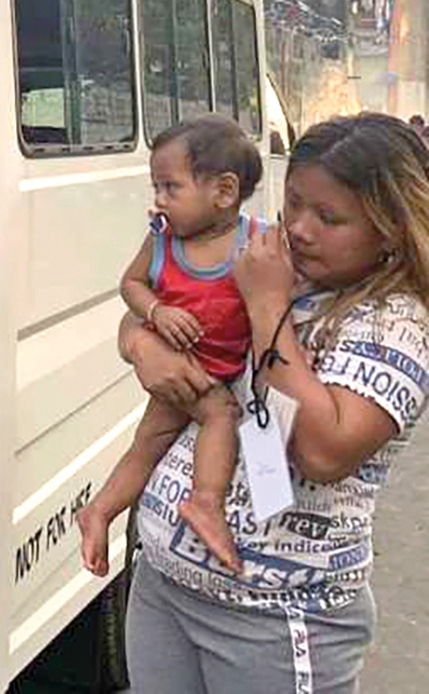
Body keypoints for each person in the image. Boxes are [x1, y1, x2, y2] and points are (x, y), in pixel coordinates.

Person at [120, 112, 429, 694]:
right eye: (294, 206)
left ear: (390, 227)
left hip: (273, 616)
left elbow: (323, 449)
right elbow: (153, 305)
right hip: (165, 582)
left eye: (329, 217)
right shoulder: (278, 266)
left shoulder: (396, 322)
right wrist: (141, 345)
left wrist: (266, 306)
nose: (301, 229)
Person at [78, 115, 262, 576]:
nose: (159, 200)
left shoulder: (256, 243)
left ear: (223, 192)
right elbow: (131, 284)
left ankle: (107, 508)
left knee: (153, 444)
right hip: (184, 379)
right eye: (156, 188)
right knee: (173, 435)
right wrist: (155, 313)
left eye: (170, 188)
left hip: (211, 373)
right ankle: (191, 503)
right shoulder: (161, 241)